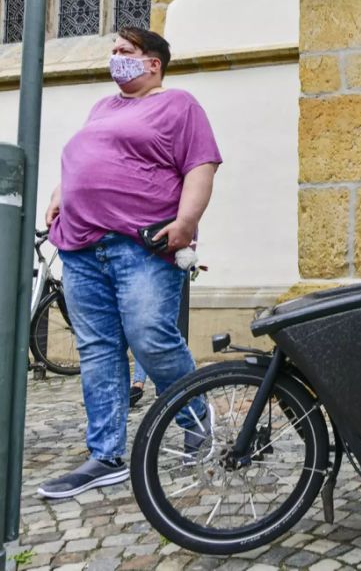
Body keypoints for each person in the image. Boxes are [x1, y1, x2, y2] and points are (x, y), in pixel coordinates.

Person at [37, 27, 222, 499]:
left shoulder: (179, 105)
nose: (114, 57)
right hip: (80, 244)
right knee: (98, 348)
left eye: (124, 51)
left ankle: (196, 418)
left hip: (140, 244)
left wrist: (187, 221)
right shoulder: (102, 108)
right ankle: (106, 454)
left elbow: (200, 165)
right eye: (113, 50)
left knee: (150, 337)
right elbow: (85, 157)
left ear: (153, 62)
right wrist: (62, 192)